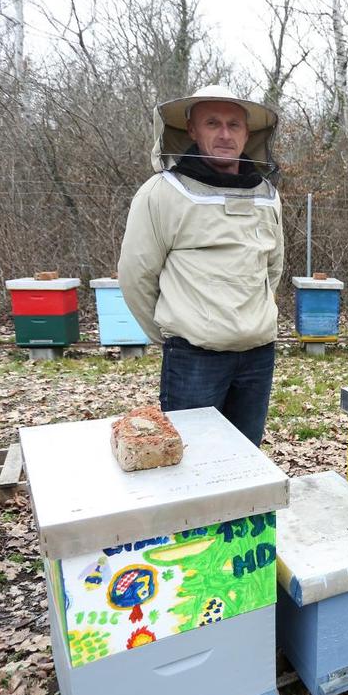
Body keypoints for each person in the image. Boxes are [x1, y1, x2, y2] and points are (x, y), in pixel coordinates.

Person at [118, 85, 284, 446]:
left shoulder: (268, 195)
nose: (225, 134)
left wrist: (259, 316)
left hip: (258, 354)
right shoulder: (161, 193)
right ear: (192, 129)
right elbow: (136, 276)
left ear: (248, 132)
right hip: (194, 358)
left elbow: (272, 268)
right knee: (192, 466)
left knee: (245, 463)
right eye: (213, 123)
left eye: (234, 125)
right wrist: (172, 332)